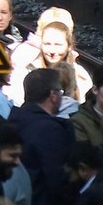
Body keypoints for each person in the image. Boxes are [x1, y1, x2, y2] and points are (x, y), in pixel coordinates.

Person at [13, 68, 76, 198]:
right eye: (60, 92)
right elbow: (57, 178)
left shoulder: (14, 119)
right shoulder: (50, 130)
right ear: (53, 95)